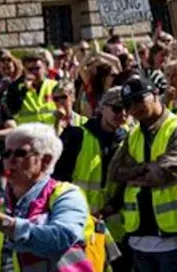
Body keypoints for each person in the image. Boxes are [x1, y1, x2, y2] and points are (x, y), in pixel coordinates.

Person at [0, 123, 91, 271]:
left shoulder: (66, 195)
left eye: (20, 153)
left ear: (46, 160)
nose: (10, 161)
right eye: (6, 154)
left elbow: (60, 239)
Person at [108, 75, 177, 271]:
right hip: (138, 235)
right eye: (129, 104)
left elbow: (160, 175)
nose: (134, 108)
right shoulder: (133, 134)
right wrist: (145, 168)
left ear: (156, 94)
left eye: (140, 99)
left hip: (172, 234)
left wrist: (136, 171)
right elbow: (115, 172)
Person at [53, 88, 130, 245]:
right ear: (102, 108)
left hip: (113, 224)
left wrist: (110, 208)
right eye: (116, 108)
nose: (122, 114)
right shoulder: (76, 135)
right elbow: (57, 180)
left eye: (127, 109)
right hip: (77, 220)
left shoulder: (129, 140)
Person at [6, 51, 59, 125]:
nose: (34, 72)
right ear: (24, 70)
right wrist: (24, 90)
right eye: (30, 69)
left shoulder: (55, 86)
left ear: (45, 68)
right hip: (28, 132)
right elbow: (12, 110)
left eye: (37, 68)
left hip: (50, 131)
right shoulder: (15, 87)